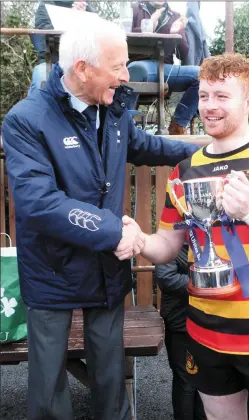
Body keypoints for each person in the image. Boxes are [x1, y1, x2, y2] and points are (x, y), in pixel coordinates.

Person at [115, 53, 249, 420]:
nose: (209, 107)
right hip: (206, 334)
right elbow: (169, 245)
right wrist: (140, 240)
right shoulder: (185, 170)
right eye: (203, 96)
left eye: (221, 96)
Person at [2, 20, 199, 420]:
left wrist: (204, 153)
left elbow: (145, 145)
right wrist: (116, 232)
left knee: (111, 379)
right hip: (52, 270)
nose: (127, 76)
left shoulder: (114, 108)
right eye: (119, 66)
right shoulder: (25, 120)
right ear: (82, 68)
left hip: (106, 267)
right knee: (48, 389)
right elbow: (39, 203)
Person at [127, 1, 200, 135]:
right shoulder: (135, 8)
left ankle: (178, 124)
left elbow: (183, 53)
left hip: (165, 68)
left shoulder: (175, 16)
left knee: (201, 74)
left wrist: (177, 33)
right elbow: (123, 35)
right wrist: (149, 24)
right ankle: (123, 125)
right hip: (138, 63)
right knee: (137, 70)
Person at [155, 244, 207, 420]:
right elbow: (166, 278)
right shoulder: (172, 239)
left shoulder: (212, 234)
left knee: (206, 379)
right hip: (182, 321)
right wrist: (206, 281)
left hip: (209, 322)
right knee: (186, 380)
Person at [29, 0, 97, 94]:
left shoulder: (87, 7)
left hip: (80, 61)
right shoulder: (47, 4)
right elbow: (45, 33)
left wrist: (84, 17)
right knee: (42, 75)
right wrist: (70, 18)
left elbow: (98, 34)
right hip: (52, 60)